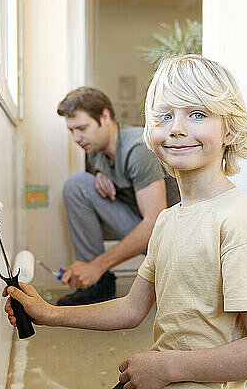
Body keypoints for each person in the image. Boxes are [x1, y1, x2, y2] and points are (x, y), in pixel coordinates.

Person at [3, 55, 247, 388]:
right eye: (165, 116)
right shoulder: (168, 221)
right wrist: (49, 312)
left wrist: (167, 367)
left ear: (230, 129)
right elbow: (131, 308)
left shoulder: (239, 222)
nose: (177, 128)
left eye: (197, 114)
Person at [56, 87, 181, 306]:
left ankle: (95, 271)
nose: (77, 138)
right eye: (71, 130)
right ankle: (98, 286)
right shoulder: (95, 149)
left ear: (105, 117)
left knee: (78, 184)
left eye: (82, 128)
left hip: (171, 237)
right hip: (138, 219)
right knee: (78, 185)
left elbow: (154, 223)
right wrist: (100, 174)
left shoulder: (138, 149)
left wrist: (98, 264)